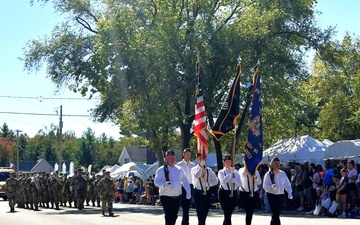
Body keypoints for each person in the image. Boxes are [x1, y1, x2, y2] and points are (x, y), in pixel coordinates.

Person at [154, 149, 191, 225]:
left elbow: (185, 180)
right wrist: (163, 185)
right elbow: (156, 181)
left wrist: (188, 191)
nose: (172, 160)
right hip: (165, 196)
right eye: (170, 158)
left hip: (176, 197)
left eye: (173, 158)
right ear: (166, 159)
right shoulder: (161, 170)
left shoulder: (179, 169)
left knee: (174, 216)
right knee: (168, 215)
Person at [263, 157, 293, 225]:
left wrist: (289, 193)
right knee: (275, 213)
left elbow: (287, 184)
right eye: (275, 163)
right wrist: (270, 187)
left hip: (280, 195)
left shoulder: (282, 173)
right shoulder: (268, 174)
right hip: (271, 195)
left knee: (276, 213)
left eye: (278, 163)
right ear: (272, 164)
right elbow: (264, 186)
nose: (277, 165)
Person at [191, 153, 218, 225]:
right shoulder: (194, 169)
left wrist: (209, 183)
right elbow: (196, 175)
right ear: (197, 159)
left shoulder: (209, 170)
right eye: (200, 158)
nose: (202, 160)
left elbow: (216, 181)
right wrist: (201, 167)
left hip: (207, 193)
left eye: (203, 158)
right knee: (200, 214)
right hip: (198, 193)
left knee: (205, 214)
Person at [218, 154, 241, 225]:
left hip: (233, 193)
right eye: (227, 161)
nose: (228, 163)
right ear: (224, 162)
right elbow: (223, 181)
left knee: (229, 213)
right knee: (226, 212)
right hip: (224, 193)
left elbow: (240, 184)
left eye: (230, 161)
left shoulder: (236, 172)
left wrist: (235, 182)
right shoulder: (221, 172)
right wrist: (230, 173)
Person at [176, 148, 196, 225]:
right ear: (183, 155)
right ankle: (183, 220)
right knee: (182, 204)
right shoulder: (179, 165)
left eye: (189, 155)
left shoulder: (193, 165)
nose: (188, 156)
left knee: (187, 205)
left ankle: (185, 221)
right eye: (187, 154)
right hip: (182, 186)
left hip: (190, 186)